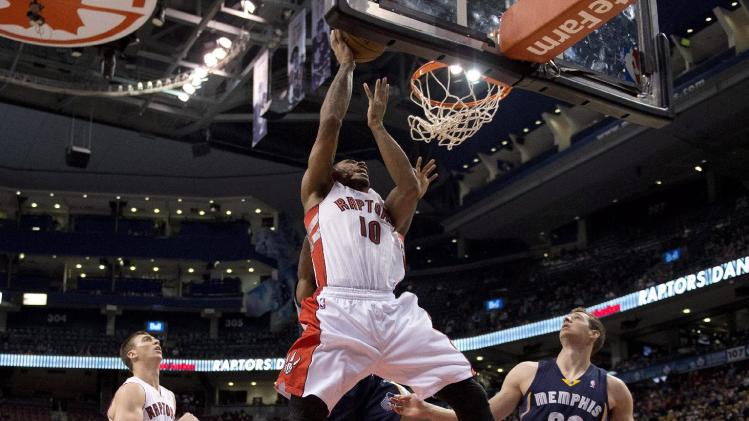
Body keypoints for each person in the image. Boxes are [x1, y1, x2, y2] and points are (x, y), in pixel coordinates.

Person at [274, 29, 494, 421]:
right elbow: (330, 123)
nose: (359, 164)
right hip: (340, 310)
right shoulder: (320, 194)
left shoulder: (383, 207)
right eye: (349, 163)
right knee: (305, 406)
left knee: (471, 396)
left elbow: (408, 186)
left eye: (363, 164)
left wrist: (377, 125)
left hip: (393, 312)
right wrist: (345, 66)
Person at [293, 157, 438, 421]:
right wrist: (322, 221)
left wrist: (412, 196)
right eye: (349, 162)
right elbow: (305, 276)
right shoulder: (311, 300)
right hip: (331, 378)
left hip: (373, 379)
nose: (360, 163)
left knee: (407, 411)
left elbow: (396, 233)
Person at [390, 308, 635, 421]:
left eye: (578, 317)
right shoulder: (527, 372)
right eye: (567, 316)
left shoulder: (615, 388)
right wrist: (426, 410)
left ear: (594, 334)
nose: (567, 318)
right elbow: (481, 416)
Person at [107, 331, 198, 421]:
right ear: (132, 354)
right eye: (146, 340)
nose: (157, 341)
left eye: (155, 340)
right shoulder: (131, 389)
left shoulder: (170, 396)